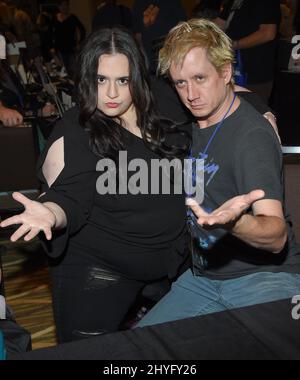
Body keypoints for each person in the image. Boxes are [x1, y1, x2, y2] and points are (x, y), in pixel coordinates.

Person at [137, 19, 300, 328]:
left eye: (200, 78)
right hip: (204, 279)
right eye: (181, 82)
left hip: (262, 278)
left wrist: (237, 223)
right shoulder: (195, 122)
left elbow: (276, 235)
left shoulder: (251, 137)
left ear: (226, 73)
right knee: (139, 346)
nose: (191, 93)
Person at [215, 0, 281, 104]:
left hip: (255, 72)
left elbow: (268, 33)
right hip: (231, 69)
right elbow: (218, 25)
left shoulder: (266, 3)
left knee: (253, 113)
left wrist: (233, 45)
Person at [132, 0, 186, 73]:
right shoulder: (138, 4)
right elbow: (138, 35)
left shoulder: (173, 2)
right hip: (150, 65)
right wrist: (142, 59)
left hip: (172, 60)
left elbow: (182, 27)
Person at [53, 0, 86, 78]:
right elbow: (50, 33)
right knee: (62, 73)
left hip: (71, 49)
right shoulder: (54, 18)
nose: (65, 7)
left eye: (67, 5)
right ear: (59, 7)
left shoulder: (72, 18)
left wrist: (79, 43)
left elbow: (82, 30)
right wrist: (51, 47)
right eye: (63, 5)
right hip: (59, 50)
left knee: (74, 72)